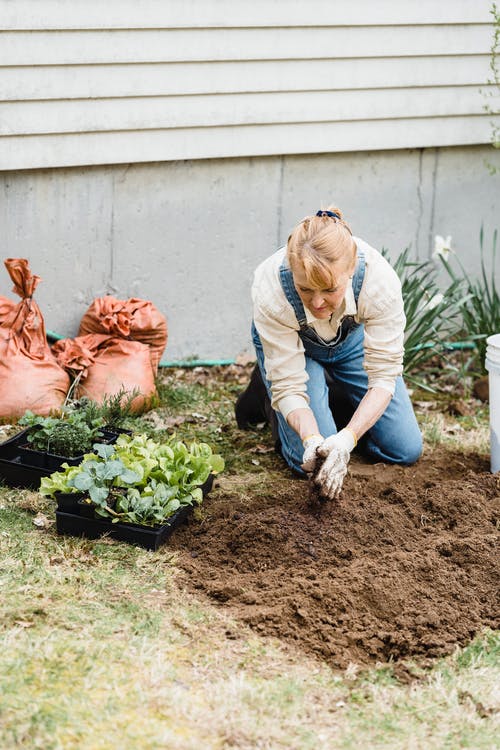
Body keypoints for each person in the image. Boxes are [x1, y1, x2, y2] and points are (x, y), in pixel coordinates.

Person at [236, 206, 423, 500]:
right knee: (310, 463)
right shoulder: (272, 290)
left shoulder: (378, 281)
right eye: (305, 289)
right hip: (296, 347)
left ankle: (330, 404)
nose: (318, 302)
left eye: (329, 289)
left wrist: (346, 440)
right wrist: (312, 440)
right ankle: (266, 391)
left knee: (404, 450)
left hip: (351, 344)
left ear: (349, 272)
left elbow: (383, 378)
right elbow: (290, 388)